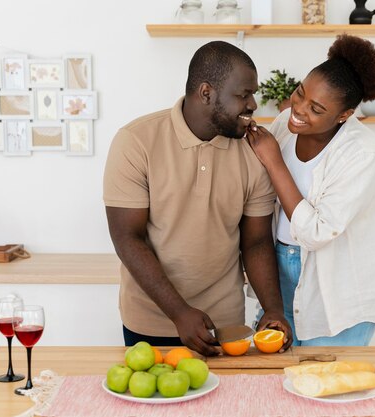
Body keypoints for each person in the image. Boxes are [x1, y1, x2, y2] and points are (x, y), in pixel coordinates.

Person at [103, 41, 292, 356]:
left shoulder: (253, 150)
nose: (254, 104)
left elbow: (256, 242)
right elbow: (127, 237)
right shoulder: (135, 142)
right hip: (149, 323)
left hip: (226, 325)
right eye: (244, 94)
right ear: (207, 93)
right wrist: (179, 312)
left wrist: (272, 309)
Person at [246, 35, 375, 346]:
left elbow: (317, 232)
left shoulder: (363, 154)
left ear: (344, 115)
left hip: (336, 294)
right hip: (278, 273)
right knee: (277, 384)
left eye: (316, 108)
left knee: (328, 387)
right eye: (299, 93)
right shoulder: (285, 123)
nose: (298, 109)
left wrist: (274, 161)